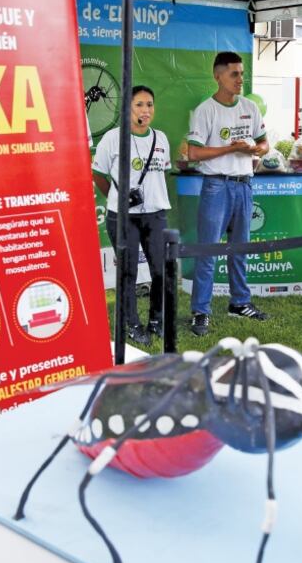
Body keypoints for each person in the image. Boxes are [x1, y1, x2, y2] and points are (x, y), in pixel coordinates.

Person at [186, 51, 270, 336]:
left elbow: (265, 144)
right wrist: (231, 148)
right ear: (217, 76)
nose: (240, 79)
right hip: (217, 186)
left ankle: (240, 302)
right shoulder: (205, 110)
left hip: (244, 184)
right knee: (208, 250)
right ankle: (200, 311)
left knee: (240, 248)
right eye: (234, 74)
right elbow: (194, 152)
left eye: (242, 73)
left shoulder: (250, 107)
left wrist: (256, 149)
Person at [92, 85, 173, 346]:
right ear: (127, 108)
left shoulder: (161, 138)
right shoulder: (113, 138)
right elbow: (98, 174)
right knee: (128, 273)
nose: (145, 110)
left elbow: (162, 173)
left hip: (156, 215)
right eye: (139, 105)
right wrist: (117, 199)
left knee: (160, 270)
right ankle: (132, 325)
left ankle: (156, 320)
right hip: (123, 217)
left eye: (149, 104)